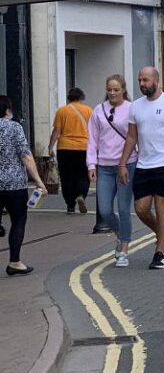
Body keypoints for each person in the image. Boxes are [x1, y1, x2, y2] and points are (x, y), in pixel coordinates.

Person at [118, 67, 164, 270]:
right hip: (143, 164)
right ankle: (163, 231)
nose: (142, 84)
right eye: (140, 80)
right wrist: (122, 163)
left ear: (156, 80)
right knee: (140, 209)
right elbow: (132, 137)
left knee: (161, 207)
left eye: (146, 80)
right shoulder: (136, 107)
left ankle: (160, 254)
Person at [87, 75, 136, 266]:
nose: (113, 93)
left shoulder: (132, 109)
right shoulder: (98, 111)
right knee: (105, 210)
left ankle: (123, 250)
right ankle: (121, 234)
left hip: (127, 164)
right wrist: (91, 165)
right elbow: (92, 140)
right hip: (104, 166)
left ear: (123, 90)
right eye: (110, 89)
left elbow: (137, 136)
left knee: (124, 208)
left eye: (116, 89)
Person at [1, 95, 46, 276]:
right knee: (18, 220)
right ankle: (15, 262)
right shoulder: (14, 128)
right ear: (7, 110)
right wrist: (38, 180)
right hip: (14, 184)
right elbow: (25, 155)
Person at [48, 88, 95, 223]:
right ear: (81, 97)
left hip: (65, 147)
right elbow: (93, 130)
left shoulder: (62, 111)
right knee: (83, 175)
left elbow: (57, 131)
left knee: (67, 176)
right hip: (83, 147)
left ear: (69, 98)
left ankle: (70, 205)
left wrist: (50, 146)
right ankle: (81, 195)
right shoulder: (88, 111)